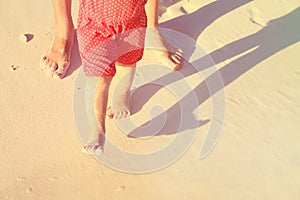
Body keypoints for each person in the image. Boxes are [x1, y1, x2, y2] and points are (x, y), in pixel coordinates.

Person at [40, 0, 183, 153]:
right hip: (95, 26)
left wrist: (151, 28)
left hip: (133, 23)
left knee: (127, 63)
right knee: (99, 78)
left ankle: (121, 95)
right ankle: (97, 130)